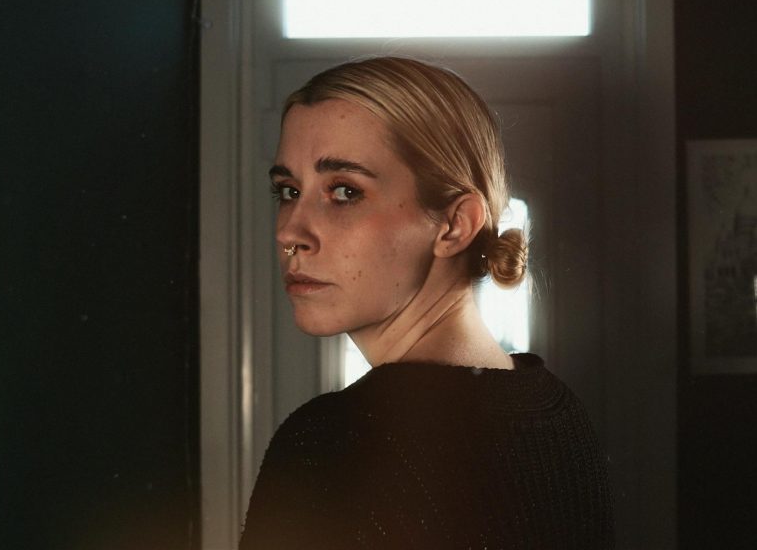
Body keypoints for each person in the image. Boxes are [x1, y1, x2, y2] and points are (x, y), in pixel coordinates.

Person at [240, 56, 614, 549]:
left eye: (345, 191)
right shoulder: (557, 414)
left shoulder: (335, 442)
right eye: (288, 190)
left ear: (455, 225)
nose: (290, 232)